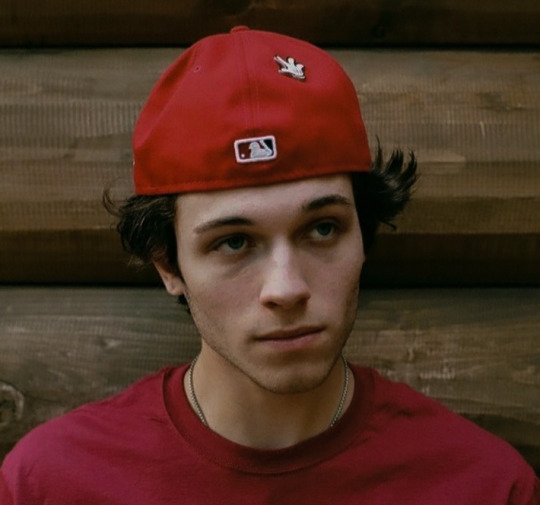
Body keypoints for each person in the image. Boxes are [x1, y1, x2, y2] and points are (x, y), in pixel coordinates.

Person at [1, 26, 538, 505]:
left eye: (322, 229)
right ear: (168, 266)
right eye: (234, 242)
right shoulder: (50, 485)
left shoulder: (484, 487)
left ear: (364, 236)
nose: (286, 288)